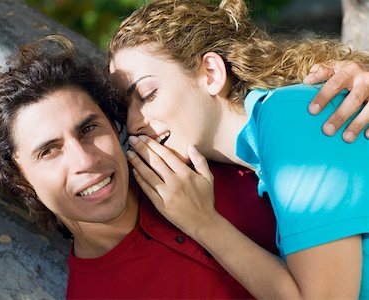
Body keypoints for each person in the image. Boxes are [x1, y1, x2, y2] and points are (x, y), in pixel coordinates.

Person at [0, 36, 281, 299]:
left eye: (88, 130)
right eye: (49, 151)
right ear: (19, 180)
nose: (85, 160)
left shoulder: (204, 157)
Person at [108, 0, 369, 298]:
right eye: (123, 109)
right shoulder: (259, 156)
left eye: (147, 94)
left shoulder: (290, 115)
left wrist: (203, 224)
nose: (133, 123)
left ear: (211, 72)